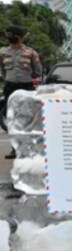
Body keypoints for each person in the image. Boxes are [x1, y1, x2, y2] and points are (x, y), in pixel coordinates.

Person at [0, 25, 42, 159]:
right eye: (8, 34)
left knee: (28, 119)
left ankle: (29, 149)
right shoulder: (3, 52)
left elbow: (38, 71)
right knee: (12, 119)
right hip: (10, 88)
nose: (9, 36)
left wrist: (26, 78)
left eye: (11, 34)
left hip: (26, 88)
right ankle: (14, 149)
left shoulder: (31, 53)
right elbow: (3, 70)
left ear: (19, 37)